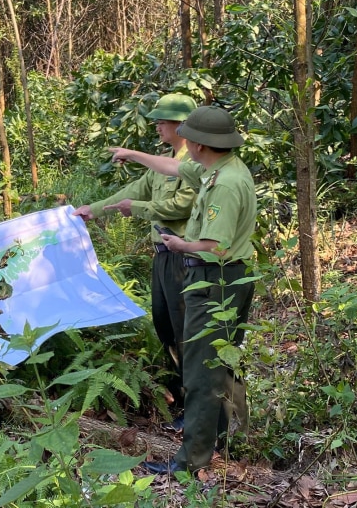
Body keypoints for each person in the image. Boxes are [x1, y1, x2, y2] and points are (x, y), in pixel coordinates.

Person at [107, 106, 256, 475]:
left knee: (201, 370)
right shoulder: (217, 168)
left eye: (187, 137)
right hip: (219, 278)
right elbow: (171, 167)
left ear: (200, 143)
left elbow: (214, 245)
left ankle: (192, 461)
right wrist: (133, 154)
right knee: (216, 360)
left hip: (215, 279)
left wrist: (179, 245)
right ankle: (227, 435)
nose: (182, 142)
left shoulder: (224, 185)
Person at [73, 93, 197, 428]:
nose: (157, 126)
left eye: (162, 121)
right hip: (162, 259)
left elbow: (180, 207)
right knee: (166, 327)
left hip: (184, 258)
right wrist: (93, 210)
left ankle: (196, 411)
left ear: (181, 125)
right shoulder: (162, 165)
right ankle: (184, 399)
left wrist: (136, 209)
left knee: (187, 332)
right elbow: (134, 190)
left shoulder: (194, 164)